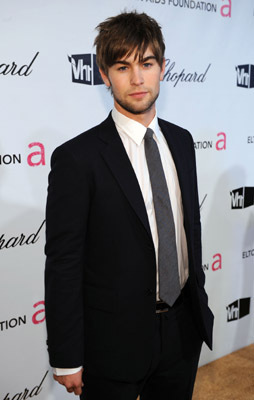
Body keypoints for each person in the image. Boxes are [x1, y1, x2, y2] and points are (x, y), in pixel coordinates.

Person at [45, 11, 214, 400]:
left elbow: (189, 230)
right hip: (112, 343)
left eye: (147, 64)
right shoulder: (77, 158)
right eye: (123, 67)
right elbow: (64, 262)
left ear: (162, 68)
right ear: (105, 75)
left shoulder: (183, 142)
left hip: (183, 330)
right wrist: (68, 356)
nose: (137, 79)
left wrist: (197, 310)